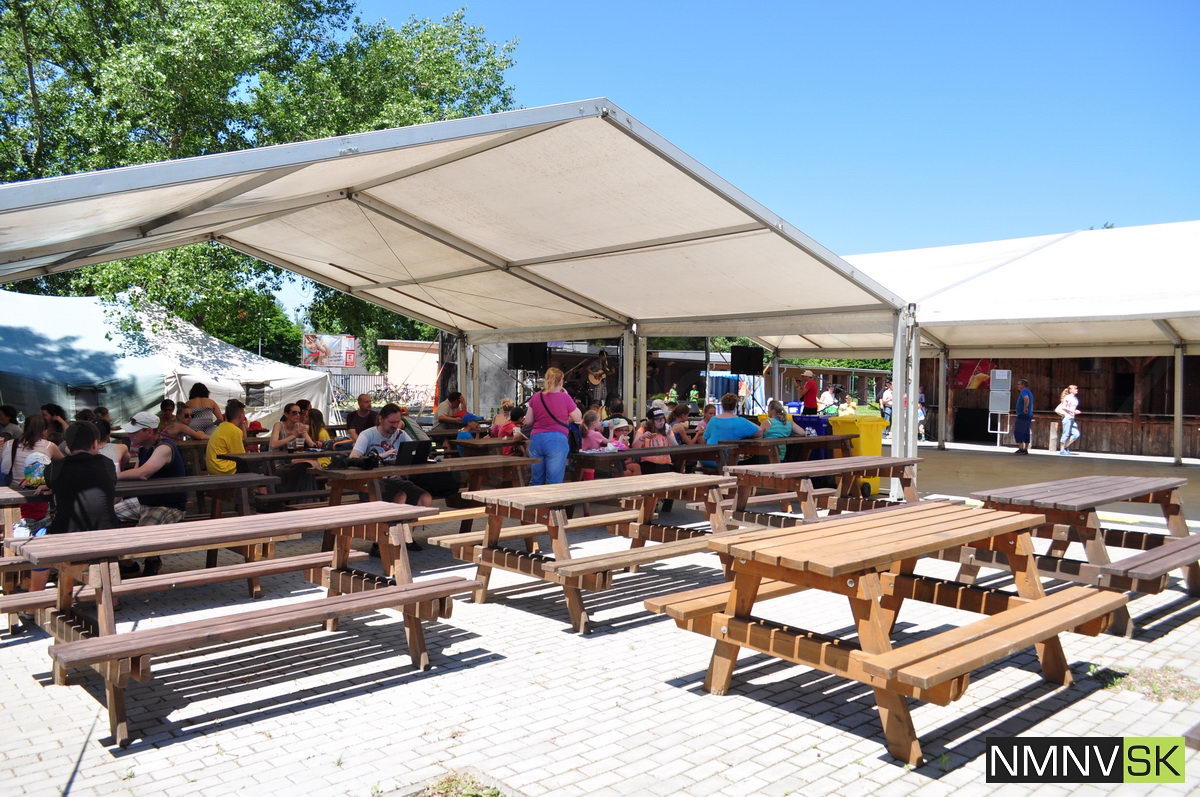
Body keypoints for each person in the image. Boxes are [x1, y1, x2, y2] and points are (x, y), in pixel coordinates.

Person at [117, 411, 189, 577]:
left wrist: (112, 476)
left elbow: (143, 473)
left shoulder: (165, 447)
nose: (130, 434)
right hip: (145, 501)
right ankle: (128, 564)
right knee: (107, 516)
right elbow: (136, 473)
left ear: (149, 431)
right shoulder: (144, 448)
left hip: (168, 505)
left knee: (142, 536)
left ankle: (151, 560)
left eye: (134, 431)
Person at [44, 421, 119, 534]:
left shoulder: (54, 468)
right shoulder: (107, 464)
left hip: (66, 532)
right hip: (106, 530)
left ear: (68, 446)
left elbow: (51, 483)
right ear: (95, 444)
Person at [525, 367, 582, 486]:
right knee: (553, 482)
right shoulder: (564, 397)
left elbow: (528, 421)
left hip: (537, 439)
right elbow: (578, 417)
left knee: (536, 480)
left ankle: (534, 498)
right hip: (557, 440)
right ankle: (550, 499)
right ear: (561, 381)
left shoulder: (536, 396)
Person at [206, 400, 249, 475]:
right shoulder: (234, 431)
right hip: (223, 469)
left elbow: (244, 440)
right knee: (255, 467)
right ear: (241, 415)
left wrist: (241, 424)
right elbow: (241, 456)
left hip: (213, 468)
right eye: (244, 413)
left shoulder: (222, 426)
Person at [1056, 384, 1081, 455]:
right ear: (1070, 390)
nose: (1076, 390)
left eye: (1076, 389)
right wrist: (1073, 411)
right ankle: (1062, 450)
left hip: (1072, 418)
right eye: (1075, 389)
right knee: (1066, 434)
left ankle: (1065, 447)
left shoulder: (1075, 398)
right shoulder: (1067, 397)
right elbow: (1063, 407)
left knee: (1076, 434)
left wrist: (1074, 411)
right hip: (1067, 417)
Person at [1013, 379, 1034, 455]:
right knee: (1026, 431)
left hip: (1023, 414)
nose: (1017, 386)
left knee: (1018, 431)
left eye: (1019, 384)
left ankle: (1021, 448)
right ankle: (1025, 449)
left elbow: (1026, 398)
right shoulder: (1029, 391)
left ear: (1023, 385)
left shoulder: (1023, 391)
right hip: (1029, 415)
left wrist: (1025, 408)